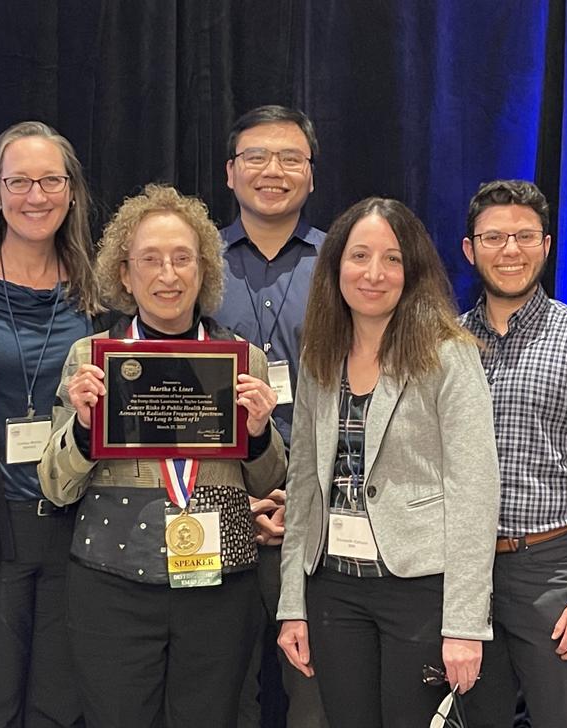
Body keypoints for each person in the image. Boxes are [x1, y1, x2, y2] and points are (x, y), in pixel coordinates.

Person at [38, 183, 287, 727]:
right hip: (111, 582)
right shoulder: (91, 360)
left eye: (182, 259)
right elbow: (55, 486)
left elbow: (271, 480)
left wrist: (261, 431)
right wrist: (83, 428)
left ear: (205, 271)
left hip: (219, 583)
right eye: (150, 260)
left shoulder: (243, 361)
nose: (168, 275)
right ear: (124, 274)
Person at [277, 197, 501, 727]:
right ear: (335, 265)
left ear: (412, 270)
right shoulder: (319, 353)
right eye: (359, 256)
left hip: (420, 588)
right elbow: (305, 484)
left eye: (392, 259)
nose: (374, 273)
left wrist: (466, 624)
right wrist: (293, 603)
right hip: (334, 587)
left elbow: (475, 491)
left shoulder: (448, 352)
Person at [0, 121, 113, 726]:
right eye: (19, 181)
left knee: (61, 708)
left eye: (50, 180)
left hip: (80, 530)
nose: (35, 196)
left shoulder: (102, 300)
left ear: (72, 192)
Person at [457, 179, 567, 728]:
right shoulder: (448, 345)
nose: (510, 250)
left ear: (547, 244)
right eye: (493, 237)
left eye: (524, 236)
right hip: (468, 576)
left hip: (554, 572)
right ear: (470, 249)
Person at [215, 104, 328, 728]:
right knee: (224, 695)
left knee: (316, 695)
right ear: (230, 173)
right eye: (256, 157)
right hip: (219, 502)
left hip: (318, 512)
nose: (273, 171)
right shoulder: (195, 261)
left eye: (290, 159)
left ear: (310, 176)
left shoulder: (343, 263)